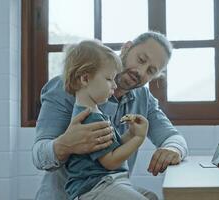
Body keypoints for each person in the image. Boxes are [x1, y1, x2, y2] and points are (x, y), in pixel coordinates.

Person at [32, 31, 188, 200]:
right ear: (127, 48)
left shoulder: (144, 99)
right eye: (141, 60)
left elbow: (173, 137)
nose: (141, 72)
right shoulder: (70, 84)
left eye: (150, 71)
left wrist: (173, 149)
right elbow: (38, 155)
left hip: (111, 187)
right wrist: (64, 145)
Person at [63, 39, 155, 200]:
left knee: (151, 197)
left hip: (108, 182)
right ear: (85, 79)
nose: (114, 85)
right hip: (93, 187)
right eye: (108, 79)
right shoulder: (89, 118)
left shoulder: (95, 112)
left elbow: (110, 148)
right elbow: (110, 161)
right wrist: (139, 138)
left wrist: (130, 134)